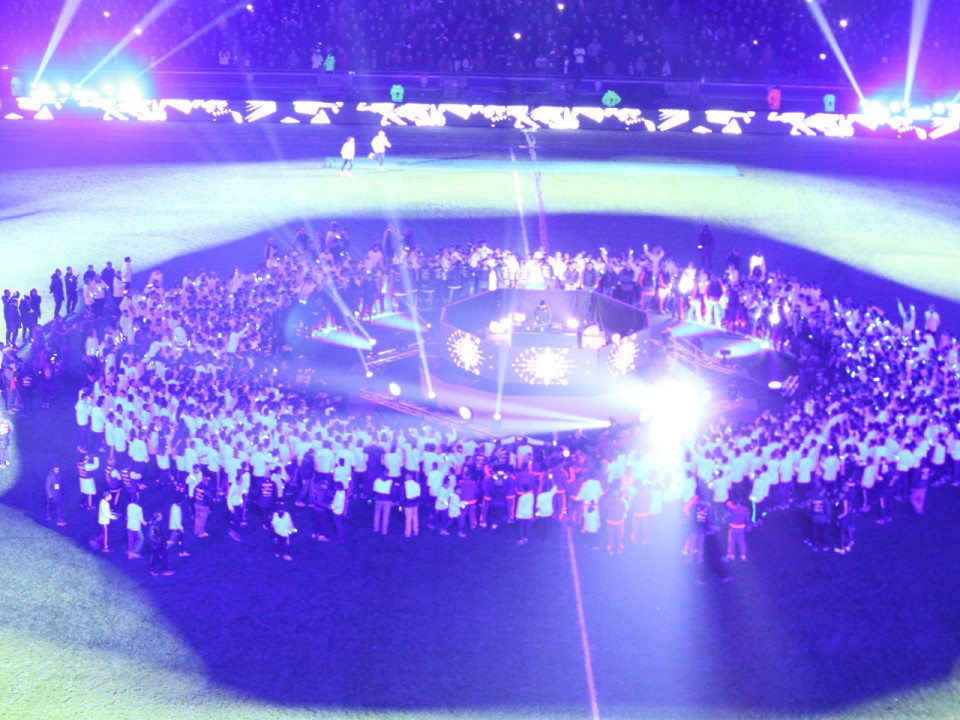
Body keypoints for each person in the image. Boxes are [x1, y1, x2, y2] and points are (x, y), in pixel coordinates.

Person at [147, 512, 174, 576]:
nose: (162, 516)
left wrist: (164, 541)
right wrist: (157, 542)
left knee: (165, 554)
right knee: (154, 557)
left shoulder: (158, 523)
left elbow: (160, 534)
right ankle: (152, 570)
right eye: (160, 516)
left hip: (160, 544)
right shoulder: (153, 525)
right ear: (157, 518)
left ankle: (166, 570)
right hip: (156, 545)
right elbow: (150, 536)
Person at [126, 494, 146, 558]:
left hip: (129, 525)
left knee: (131, 539)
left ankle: (130, 554)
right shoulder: (139, 509)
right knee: (141, 538)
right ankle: (135, 551)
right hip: (136, 527)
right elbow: (140, 519)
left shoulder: (129, 506)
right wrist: (145, 523)